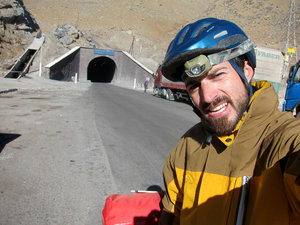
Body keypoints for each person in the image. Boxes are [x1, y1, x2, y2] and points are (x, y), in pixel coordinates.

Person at [158, 18, 300, 225]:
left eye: (217, 76)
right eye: (194, 86)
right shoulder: (186, 148)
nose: (207, 97)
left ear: (247, 72)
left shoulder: (284, 141)